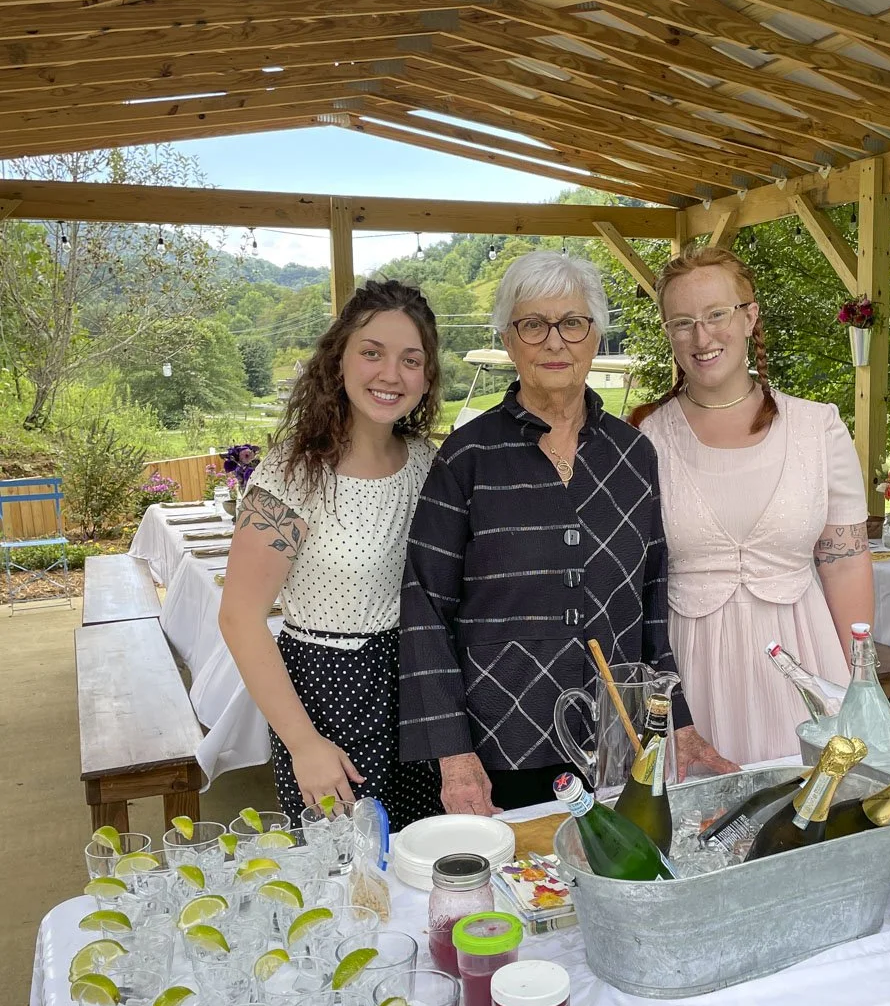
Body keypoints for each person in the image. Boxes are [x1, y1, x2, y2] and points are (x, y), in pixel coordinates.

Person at [399, 249, 735, 813]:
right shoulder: (466, 457)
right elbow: (425, 611)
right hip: (500, 749)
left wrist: (678, 724)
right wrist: (454, 757)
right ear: (508, 340)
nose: (555, 342)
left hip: (617, 744)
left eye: (573, 323)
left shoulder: (633, 457)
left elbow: (652, 609)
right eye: (533, 325)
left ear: (596, 335)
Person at [633, 246, 873, 764]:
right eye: (682, 322)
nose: (702, 337)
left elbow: (846, 563)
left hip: (804, 663)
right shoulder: (643, 439)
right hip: (689, 674)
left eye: (717, 314)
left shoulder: (818, 428)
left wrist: (861, 680)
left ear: (749, 317)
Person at [219, 279, 442, 829]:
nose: (391, 374)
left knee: (423, 854)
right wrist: (303, 744)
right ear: (338, 361)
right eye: (372, 353)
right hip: (329, 692)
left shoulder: (427, 462)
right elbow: (240, 617)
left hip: (417, 686)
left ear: (427, 376)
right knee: (347, 863)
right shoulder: (292, 474)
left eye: (410, 360)